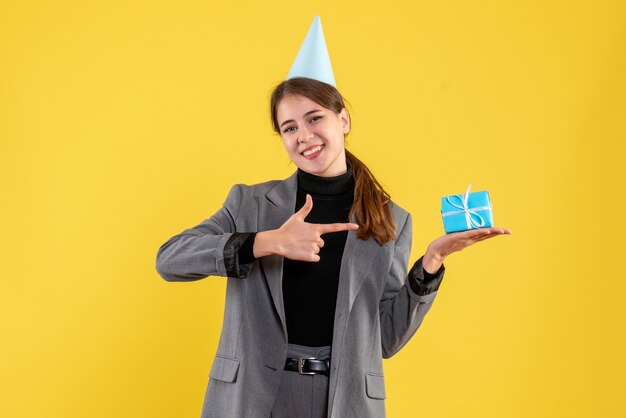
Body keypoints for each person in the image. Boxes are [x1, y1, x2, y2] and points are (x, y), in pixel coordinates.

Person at [155, 17, 511, 418]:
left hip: (342, 402)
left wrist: (430, 265)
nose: (303, 135)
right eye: (289, 127)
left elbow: (385, 340)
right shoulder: (249, 203)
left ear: (342, 120)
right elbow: (169, 259)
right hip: (253, 397)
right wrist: (265, 241)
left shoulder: (390, 220)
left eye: (314, 118)